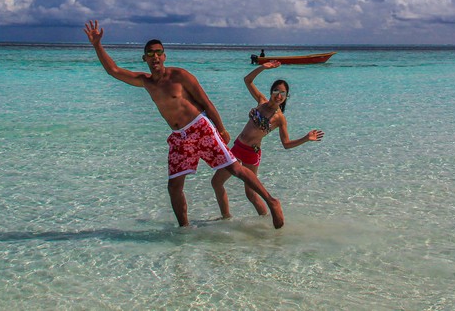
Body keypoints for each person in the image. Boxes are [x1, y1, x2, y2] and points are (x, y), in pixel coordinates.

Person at [83, 20, 284, 228]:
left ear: (164, 56)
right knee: (174, 185)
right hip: (179, 138)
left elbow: (206, 102)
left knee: (234, 168)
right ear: (145, 58)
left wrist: (221, 128)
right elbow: (113, 70)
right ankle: (184, 230)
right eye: (150, 54)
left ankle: (272, 202)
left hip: (200, 127)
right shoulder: (146, 82)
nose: (155, 57)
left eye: (159, 52)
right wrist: (97, 45)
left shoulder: (179, 75)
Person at [211, 61, 323, 219]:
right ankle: (226, 217)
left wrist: (306, 138)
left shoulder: (280, 119)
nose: (279, 95)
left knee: (250, 193)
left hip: (251, 153)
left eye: (283, 93)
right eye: (276, 91)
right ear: (271, 92)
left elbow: (286, 144)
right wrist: (263, 68)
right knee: (216, 182)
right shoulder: (261, 102)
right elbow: (247, 80)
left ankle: (265, 219)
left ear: (286, 97)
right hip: (237, 148)